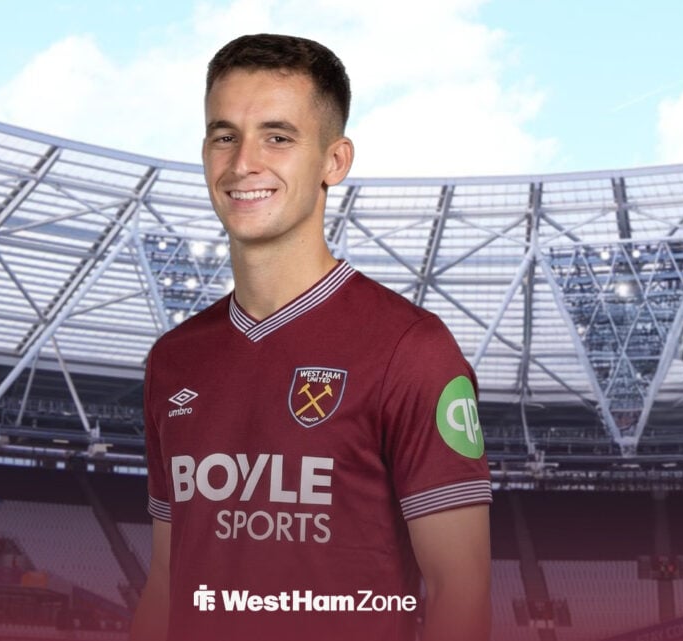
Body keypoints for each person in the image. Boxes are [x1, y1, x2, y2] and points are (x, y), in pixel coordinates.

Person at [130, 33, 491, 641]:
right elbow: (166, 580)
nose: (243, 163)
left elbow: (461, 590)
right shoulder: (173, 361)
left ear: (334, 161)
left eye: (277, 136)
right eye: (224, 135)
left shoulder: (411, 348)